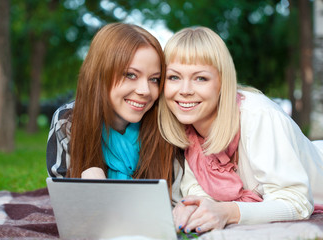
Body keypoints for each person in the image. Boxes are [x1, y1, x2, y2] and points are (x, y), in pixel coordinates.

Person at [158, 26, 323, 234]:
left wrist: (228, 211)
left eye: (201, 78)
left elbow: (296, 202)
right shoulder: (185, 128)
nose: (185, 90)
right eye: (174, 77)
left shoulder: (258, 115)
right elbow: (198, 193)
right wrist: (193, 208)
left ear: (222, 83)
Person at [46, 23, 183, 196]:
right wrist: (89, 190)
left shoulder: (165, 122)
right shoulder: (68, 121)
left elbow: (180, 195)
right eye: (130, 75)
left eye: (154, 79)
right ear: (101, 74)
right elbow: (64, 200)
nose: (145, 91)